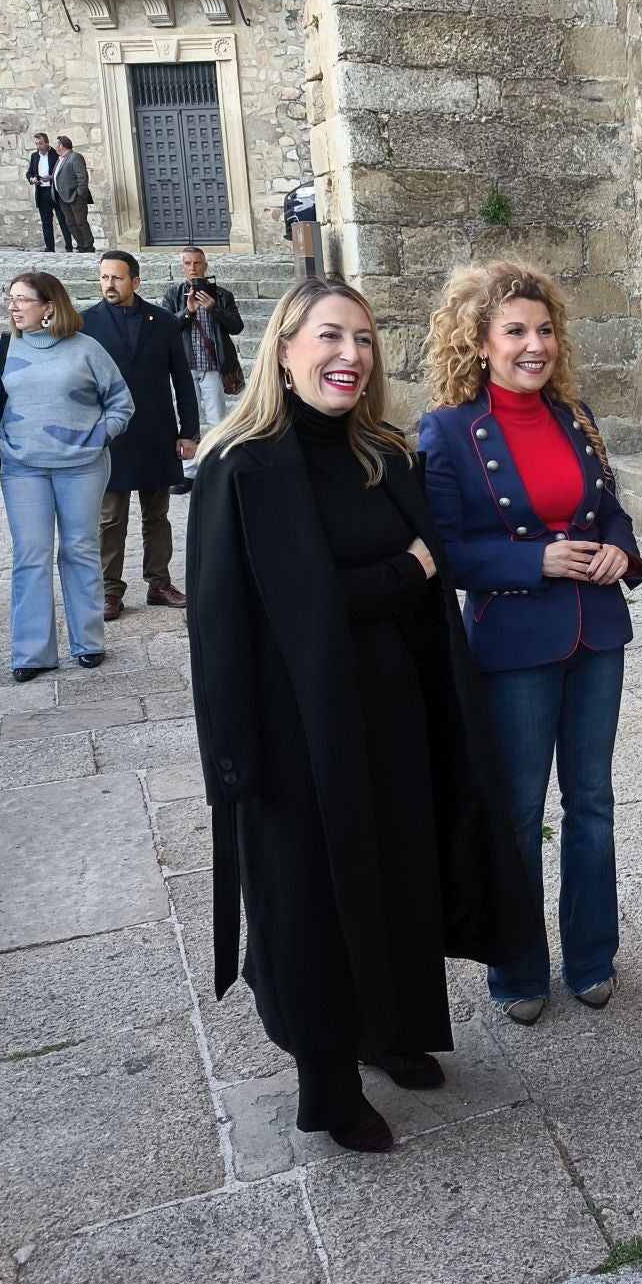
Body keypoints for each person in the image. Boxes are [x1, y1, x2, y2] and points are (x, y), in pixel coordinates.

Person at [187, 275, 533, 1152]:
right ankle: (328, 1081)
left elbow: (424, 575)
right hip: (298, 725)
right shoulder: (242, 465)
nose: (351, 356)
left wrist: (411, 581)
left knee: (398, 871)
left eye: (366, 341)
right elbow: (247, 617)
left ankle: (391, 1029)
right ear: (286, 348)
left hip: (396, 707)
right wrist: (404, 573)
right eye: (331, 338)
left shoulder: (382, 452)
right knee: (314, 900)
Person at [419, 261, 642, 1027]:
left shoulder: (574, 414)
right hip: (513, 642)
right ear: (480, 342)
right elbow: (442, 549)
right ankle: (516, 968)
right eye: (515, 331)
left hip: (596, 633)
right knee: (518, 811)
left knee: (593, 803)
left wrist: (619, 549)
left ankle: (591, 957)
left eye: (544, 330)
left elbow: (609, 506)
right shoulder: (448, 431)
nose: (534, 344)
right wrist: (533, 559)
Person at [0, 272, 135, 681]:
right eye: (9, 299)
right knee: (29, 556)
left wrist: (101, 435)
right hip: (23, 468)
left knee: (80, 549)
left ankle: (88, 642)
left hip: (82, 467)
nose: (12, 307)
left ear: (49, 306)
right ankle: (31, 653)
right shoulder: (1, 349)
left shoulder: (86, 349)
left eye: (21, 299)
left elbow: (121, 403)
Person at [82, 251, 197, 620]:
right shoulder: (86, 323)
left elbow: (182, 378)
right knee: (110, 518)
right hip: (110, 436)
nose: (109, 285)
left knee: (157, 515)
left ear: (135, 281)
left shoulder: (162, 320)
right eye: (103, 278)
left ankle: (159, 583)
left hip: (156, 431)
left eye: (116, 278)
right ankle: (110, 591)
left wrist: (189, 431)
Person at [160, 246, 246, 495]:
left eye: (197, 263)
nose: (193, 268)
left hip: (213, 366)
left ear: (205, 265)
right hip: (185, 368)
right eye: (187, 263)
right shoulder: (173, 295)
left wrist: (213, 308)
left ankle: (219, 469)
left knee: (217, 419)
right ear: (182, 267)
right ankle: (188, 472)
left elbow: (236, 327)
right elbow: (167, 328)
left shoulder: (222, 295)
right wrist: (188, 311)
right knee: (188, 420)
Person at [24, 133, 73, 253]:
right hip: (41, 191)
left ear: (47, 143)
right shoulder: (34, 156)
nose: (38, 146)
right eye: (36, 144)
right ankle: (49, 247)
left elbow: (62, 172)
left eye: (40, 143)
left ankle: (69, 246)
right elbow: (29, 172)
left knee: (63, 220)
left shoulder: (56, 154)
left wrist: (51, 177)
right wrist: (33, 179)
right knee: (46, 221)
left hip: (55, 191)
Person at [51, 137, 95, 254]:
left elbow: (82, 177)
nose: (55, 147)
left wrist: (80, 194)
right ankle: (81, 244)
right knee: (70, 222)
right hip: (62, 197)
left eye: (57, 144)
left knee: (80, 221)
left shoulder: (75, 157)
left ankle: (88, 245)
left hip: (75, 196)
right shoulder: (60, 159)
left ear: (62, 145)